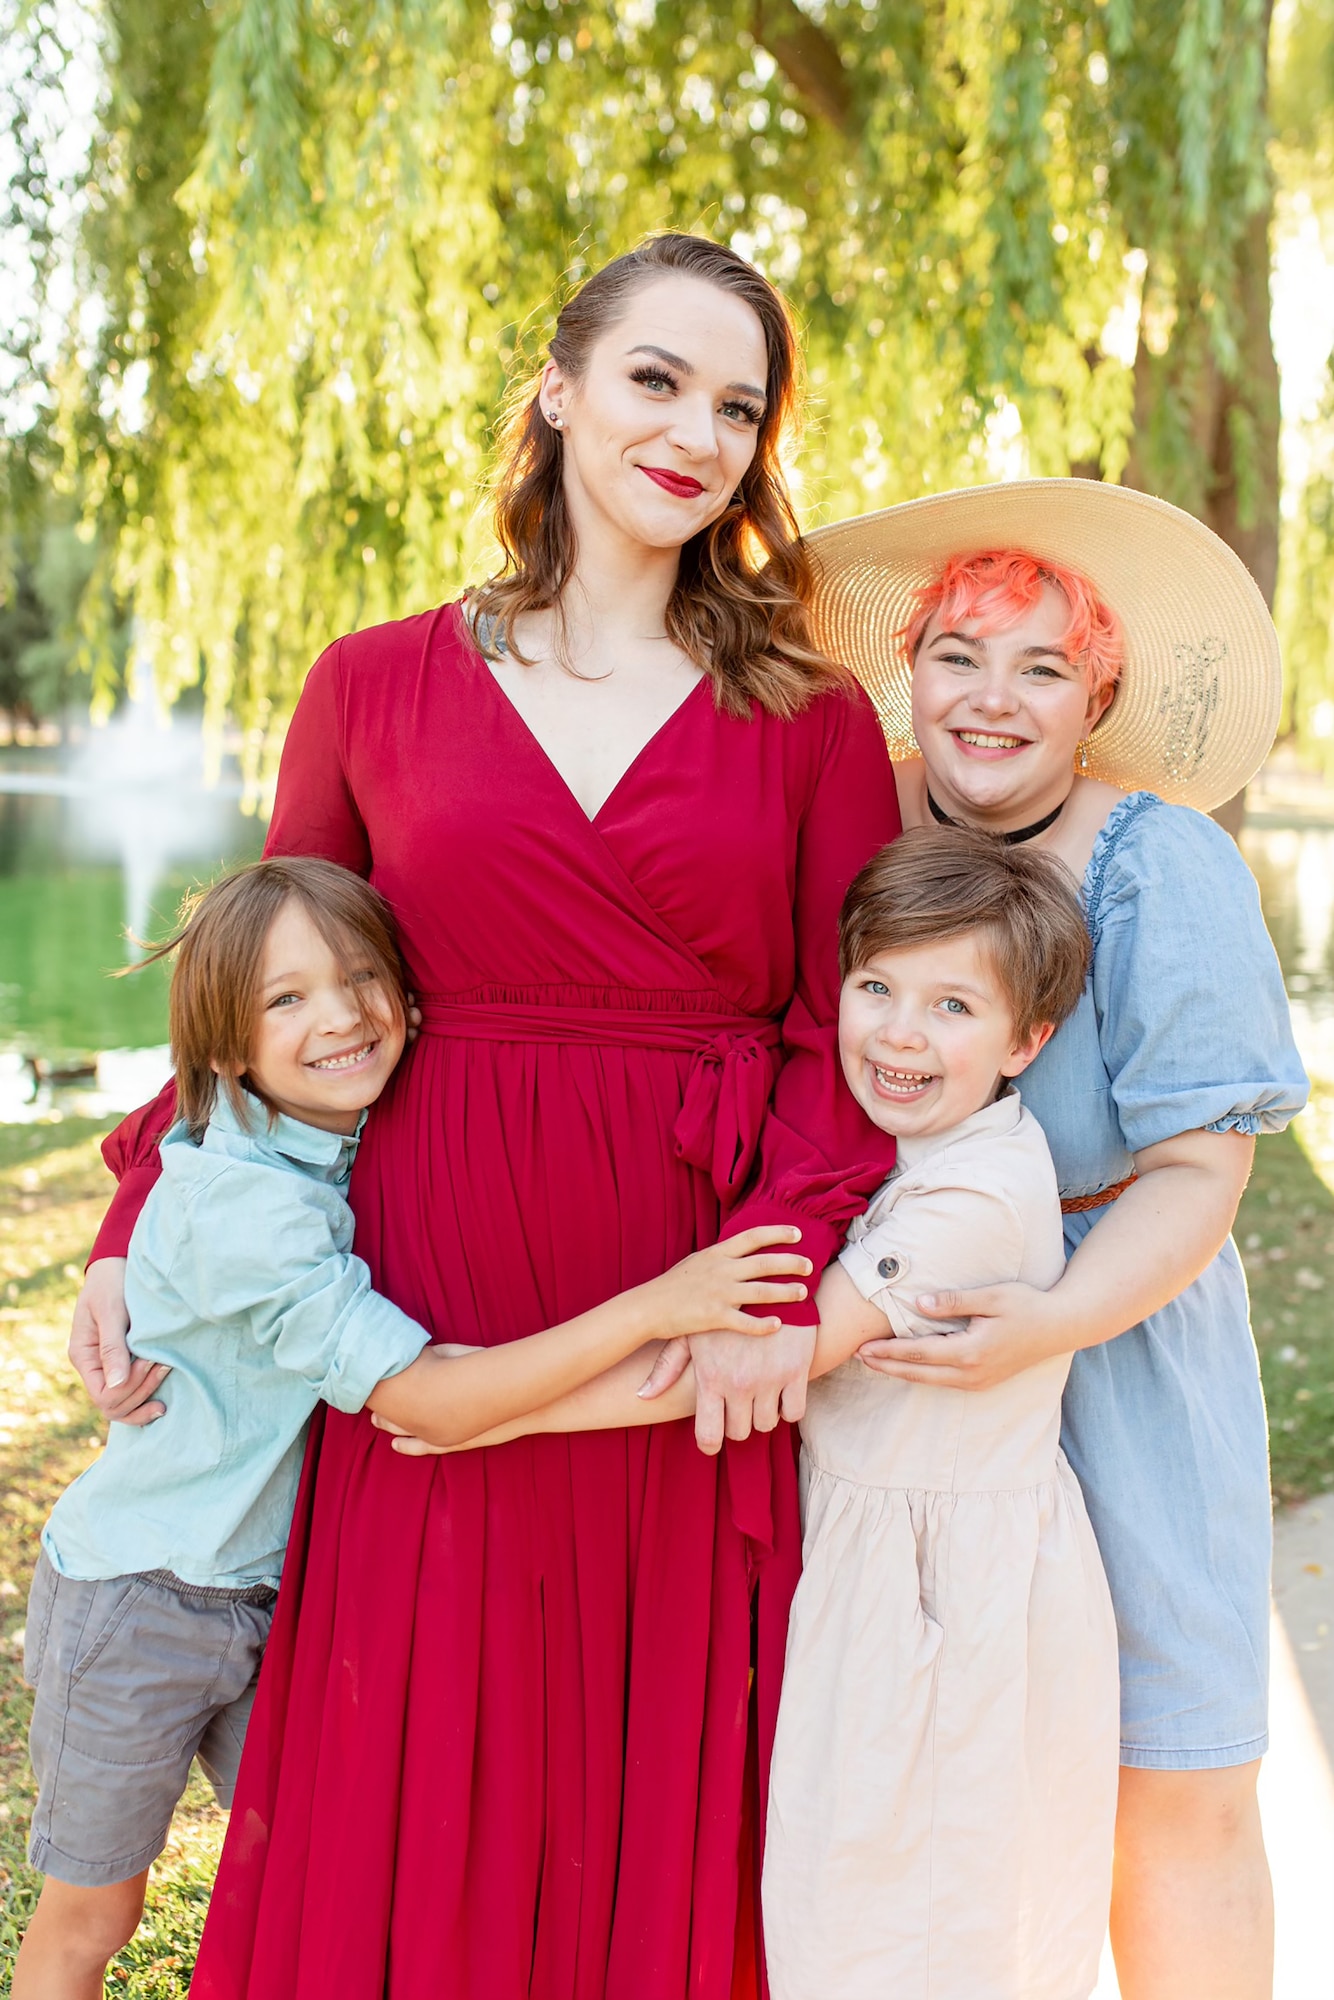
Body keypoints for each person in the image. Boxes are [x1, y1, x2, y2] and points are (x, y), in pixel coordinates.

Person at [63, 233, 900, 1998]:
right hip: (426, 1290)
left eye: (736, 407)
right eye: (654, 379)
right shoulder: (371, 681)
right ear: (561, 391)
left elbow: (840, 1040)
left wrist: (785, 1276)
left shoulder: (813, 720)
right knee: (415, 1749)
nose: (693, 432)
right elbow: (252, 990)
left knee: (654, 1763)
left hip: (687, 1300)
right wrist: (140, 1219)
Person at [15, 856, 806, 2000]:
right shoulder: (240, 1207)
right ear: (227, 1046)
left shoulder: (340, 1135)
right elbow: (426, 1393)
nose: (338, 1015)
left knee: (306, 1869)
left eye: (360, 978)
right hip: (145, 1592)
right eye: (285, 998)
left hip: (278, 1591)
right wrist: (659, 1304)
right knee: (95, 1909)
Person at [386, 826, 1120, 2000]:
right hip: (884, 1553)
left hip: (935, 1593)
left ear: (1025, 1040)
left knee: (905, 1918)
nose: (896, 1032)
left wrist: (497, 1405)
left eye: (950, 1006)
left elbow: (734, 1372)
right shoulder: (915, 1143)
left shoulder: (972, 1200)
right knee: (851, 1899)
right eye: (875, 987)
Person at [798, 481, 1309, 2000]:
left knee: (1167, 1778)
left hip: (1114, 1360)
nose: (990, 698)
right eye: (957, 653)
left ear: (1099, 690)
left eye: (1038, 666)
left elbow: (1193, 1176)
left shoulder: (1161, 865)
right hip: (893, 1366)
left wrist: (1050, 1320)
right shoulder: (851, 826)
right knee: (938, 1789)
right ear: (910, 669)